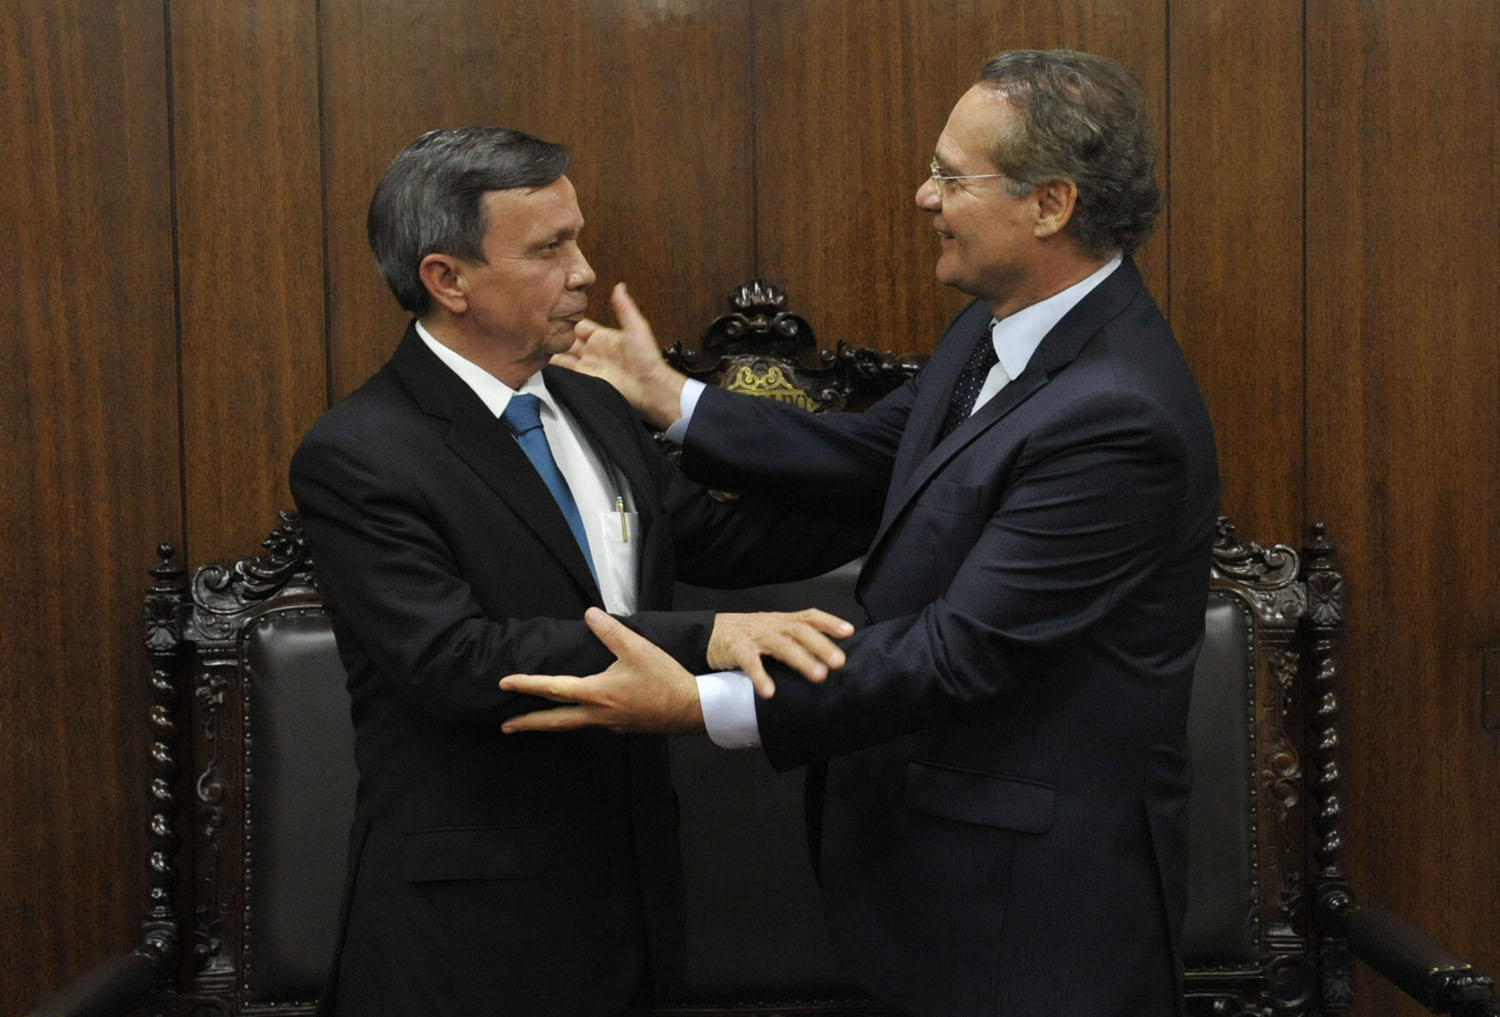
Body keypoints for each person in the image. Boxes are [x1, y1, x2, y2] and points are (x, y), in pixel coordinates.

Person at [500, 50, 1221, 1017]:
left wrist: (701, 701)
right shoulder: (1002, 325)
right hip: (935, 879)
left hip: (1039, 915)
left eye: (952, 175)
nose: (926, 195)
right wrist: (674, 399)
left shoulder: (1119, 414)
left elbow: (959, 651)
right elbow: (873, 454)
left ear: (1051, 205)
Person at [288, 126, 860, 1017]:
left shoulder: (593, 404)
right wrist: (703, 636)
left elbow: (720, 542)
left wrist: (936, 477)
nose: (586, 271)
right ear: (448, 280)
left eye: (579, 237)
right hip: (468, 937)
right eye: (551, 248)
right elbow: (460, 660)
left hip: (630, 907)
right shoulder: (360, 453)